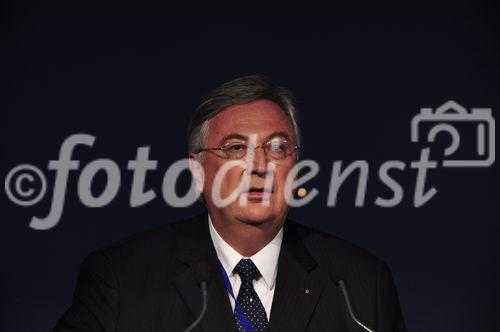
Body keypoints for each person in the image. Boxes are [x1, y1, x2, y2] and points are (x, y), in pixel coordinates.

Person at [53, 75, 407, 331]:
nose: (259, 166)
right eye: (236, 148)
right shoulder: (122, 280)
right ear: (198, 172)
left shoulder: (361, 286)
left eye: (277, 147)